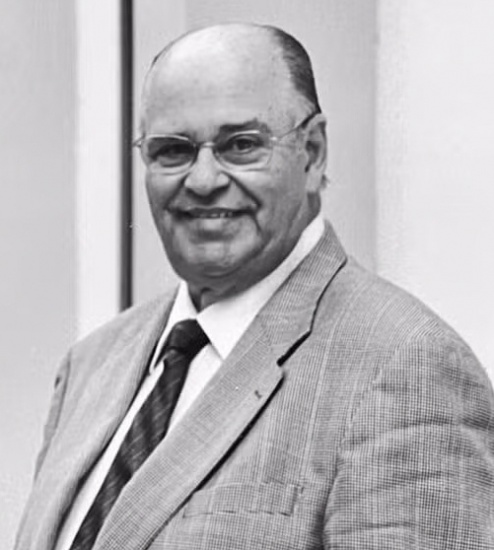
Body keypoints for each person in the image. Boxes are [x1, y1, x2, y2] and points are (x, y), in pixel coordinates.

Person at [15, 23, 494, 550]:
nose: (203, 180)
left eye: (241, 145)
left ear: (313, 152)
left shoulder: (406, 369)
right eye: (172, 150)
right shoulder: (91, 365)